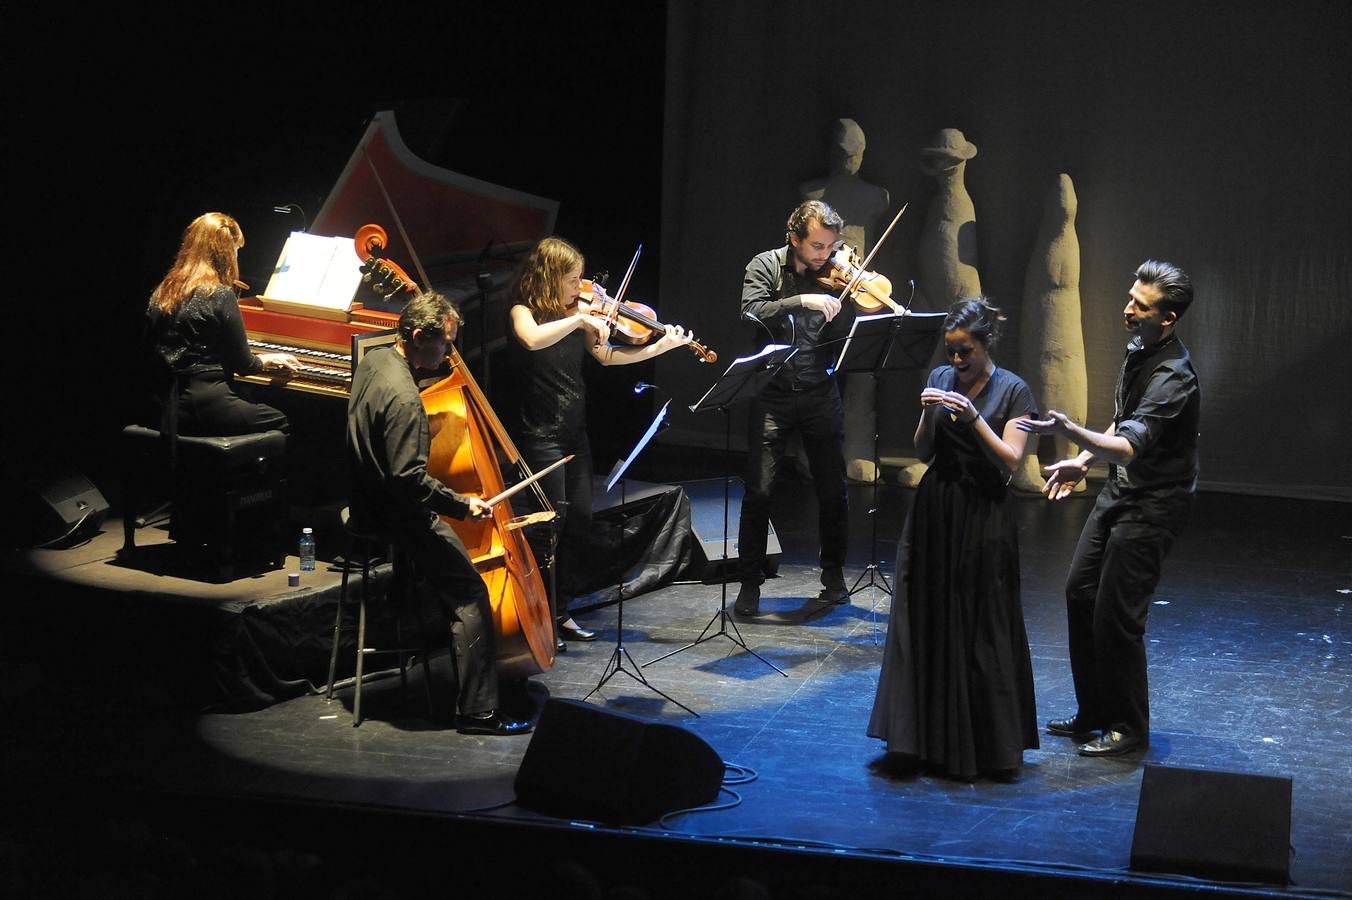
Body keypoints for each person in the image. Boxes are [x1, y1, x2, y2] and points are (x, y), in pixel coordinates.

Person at [1019, 260, 1200, 757]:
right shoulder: (1139, 350)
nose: (1127, 310)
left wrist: (1069, 432)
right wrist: (1080, 460)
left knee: (1116, 616)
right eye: (1130, 297)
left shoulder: (1174, 376)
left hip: (1155, 503)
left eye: (1140, 306)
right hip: (1121, 491)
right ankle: (1093, 712)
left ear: (1168, 317)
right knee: (1080, 593)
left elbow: (1128, 447)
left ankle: (1129, 726)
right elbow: (1121, 423)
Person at [867, 298, 1039, 780]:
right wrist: (926, 415)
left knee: (979, 620)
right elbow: (923, 449)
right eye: (951, 352)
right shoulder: (941, 380)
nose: (957, 362)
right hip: (936, 509)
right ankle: (923, 739)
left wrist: (973, 418)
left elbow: (1010, 461)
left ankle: (984, 744)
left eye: (966, 352)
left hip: (983, 511)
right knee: (929, 617)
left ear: (986, 345)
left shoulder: (1015, 391)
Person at [346, 291, 530, 736]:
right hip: (396, 515)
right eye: (444, 344)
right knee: (470, 593)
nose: (449, 353)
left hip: (364, 502)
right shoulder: (406, 398)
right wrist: (462, 505)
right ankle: (478, 711)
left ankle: (410, 598)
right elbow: (407, 479)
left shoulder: (374, 360)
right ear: (416, 336)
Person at [509, 236, 694, 644]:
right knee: (548, 528)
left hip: (575, 435)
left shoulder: (579, 314)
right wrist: (578, 320)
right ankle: (537, 616)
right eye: (573, 280)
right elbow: (532, 339)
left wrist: (661, 346)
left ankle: (561, 611)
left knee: (578, 523)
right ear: (550, 277)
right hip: (540, 436)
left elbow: (608, 356)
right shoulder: (525, 311)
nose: (581, 288)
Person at [734, 200, 853, 617]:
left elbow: (850, 326)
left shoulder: (835, 274)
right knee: (761, 490)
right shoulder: (765, 266)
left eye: (830, 246)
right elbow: (751, 311)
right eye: (818, 246)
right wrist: (801, 299)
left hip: (820, 390)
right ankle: (749, 582)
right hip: (774, 391)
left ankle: (834, 576)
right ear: (795, 239)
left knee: (833, 489)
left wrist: (854, 293)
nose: (826, 255)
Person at [146, 212, 298, 436]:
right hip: (206, 403)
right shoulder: (220, 294)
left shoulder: (163, 291)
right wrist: (265, 359)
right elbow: (245, 366)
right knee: (280, 420)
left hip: (163, 403)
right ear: (225, 253)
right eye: (236, 250)